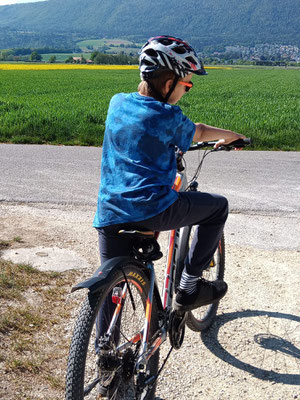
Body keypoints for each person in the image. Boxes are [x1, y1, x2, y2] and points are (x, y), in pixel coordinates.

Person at [93, 35, 245, 397]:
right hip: (154, 209)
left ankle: (104, 359)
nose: (186, 91)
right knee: (218, 207)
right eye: (186, 85)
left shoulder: (117, 103)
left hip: (109, 212)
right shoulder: (168, 115)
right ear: (168, 83)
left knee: (108, 288)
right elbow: (200, 133)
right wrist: (233, 136)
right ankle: (190, 287)